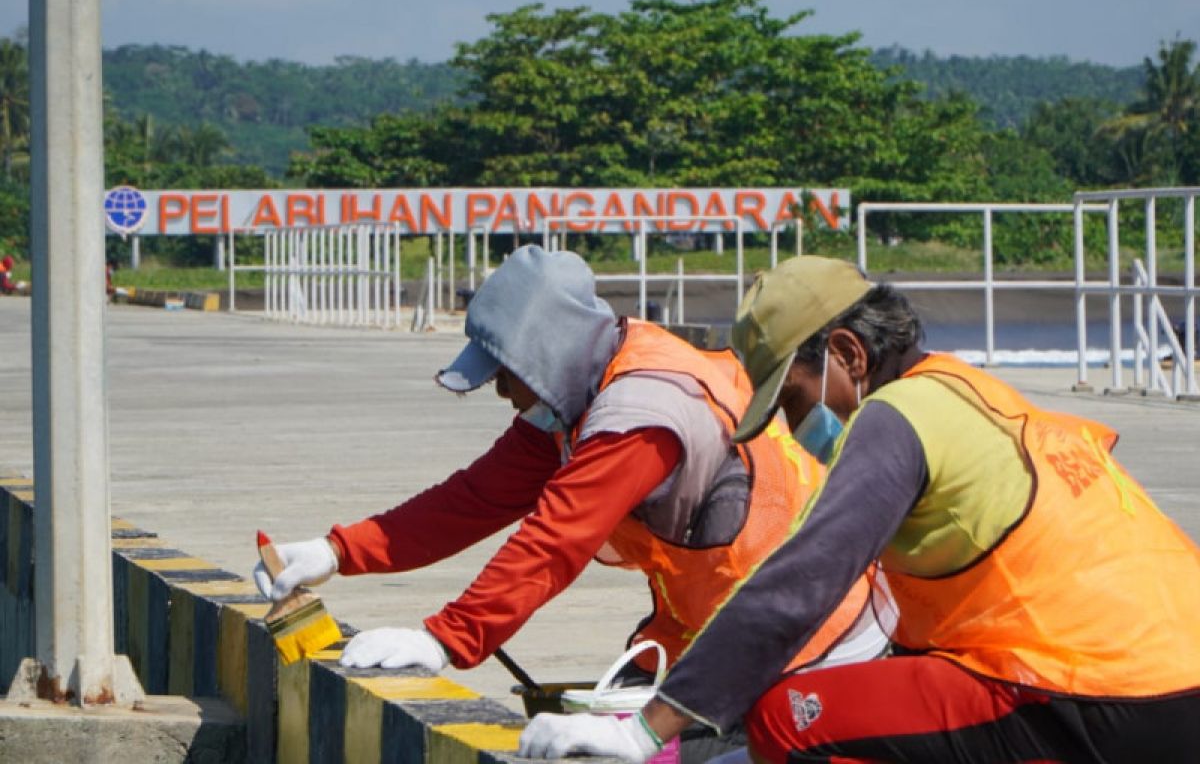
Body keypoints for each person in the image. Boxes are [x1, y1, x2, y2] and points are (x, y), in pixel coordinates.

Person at [520, 255, 1200, 763]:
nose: (794, 428)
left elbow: (795, 588)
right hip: (1170, 683)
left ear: (848, 353)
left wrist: (643, 732)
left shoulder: (896, 416)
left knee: (789, 718)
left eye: (793, 401)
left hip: (1102, 693)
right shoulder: (973, 391)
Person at [256, 247, 884, 754]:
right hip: (709, 627)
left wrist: (448, 639)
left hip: (807, 634)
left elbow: (556, 542)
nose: (500, 390)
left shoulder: (641, 415)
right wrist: (337, 551)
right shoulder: (582, 390)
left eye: (505, 371)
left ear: (546, 352)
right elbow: (472, 499)